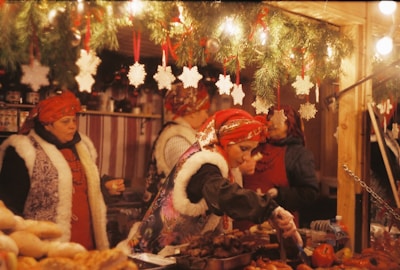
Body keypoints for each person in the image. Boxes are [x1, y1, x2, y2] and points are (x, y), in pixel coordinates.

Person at [120, 108, 302, 255]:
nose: (246, 158)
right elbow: (223, 194)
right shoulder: (203, 163)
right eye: (243, 149)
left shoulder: (212, 158)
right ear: (225, 141)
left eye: (251, 151)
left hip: (171, 255)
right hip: (151, 256)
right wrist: (270, 209)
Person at [0, 90, 124, 250]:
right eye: (65, 122)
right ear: (47, 124)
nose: (72, 126)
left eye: (74, 120)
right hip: (45, 249)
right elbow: (9, 205)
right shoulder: (23, 151)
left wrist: (105, 187)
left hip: (87, 245)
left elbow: (83, 188)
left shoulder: (82, 148)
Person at [235, 105, 319, 231]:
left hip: (278, 227)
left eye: (279, 120)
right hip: (242, 223)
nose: (272, 124)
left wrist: (279, 194)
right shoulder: (254, 146)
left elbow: (309, 193)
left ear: (290, 124)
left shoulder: (298, 154)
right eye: (270, 119)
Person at [141, 80, 210, 210]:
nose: (207, 116)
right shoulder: (177, 138)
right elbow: (195, 177)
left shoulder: (183, 134)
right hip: (170, 220)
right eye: (205, 110)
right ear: (193, 111)